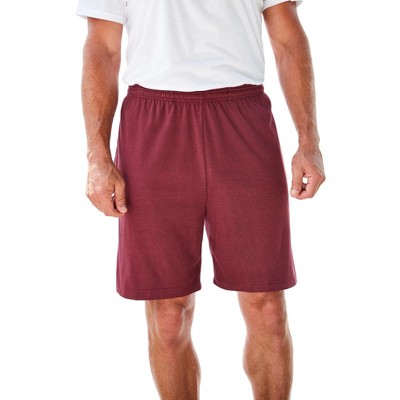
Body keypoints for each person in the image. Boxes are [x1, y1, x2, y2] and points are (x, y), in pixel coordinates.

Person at [75, 0, 325, 398]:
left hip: (243, 117)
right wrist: (97, 157)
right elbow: (102, 48)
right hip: (153, 122)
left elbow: (288, 39)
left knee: (268, 308)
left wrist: (309, 142)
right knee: (168, 314)